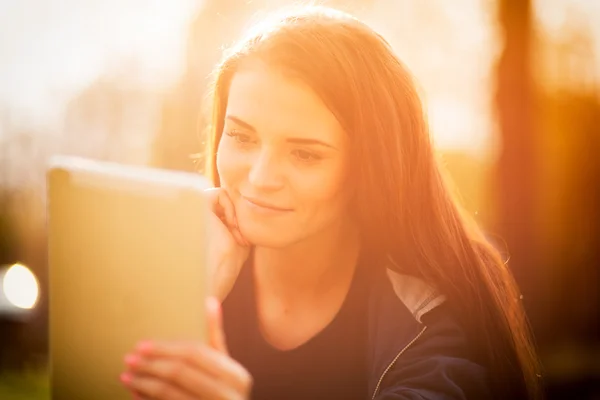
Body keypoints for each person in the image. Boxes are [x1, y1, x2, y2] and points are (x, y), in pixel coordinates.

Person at [119, 6, 542, 400]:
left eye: (305, 154)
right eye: (241, 137)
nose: (261, 177)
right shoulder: (179, 264)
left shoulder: (430, 323)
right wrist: (189, 300)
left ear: (370, 168)